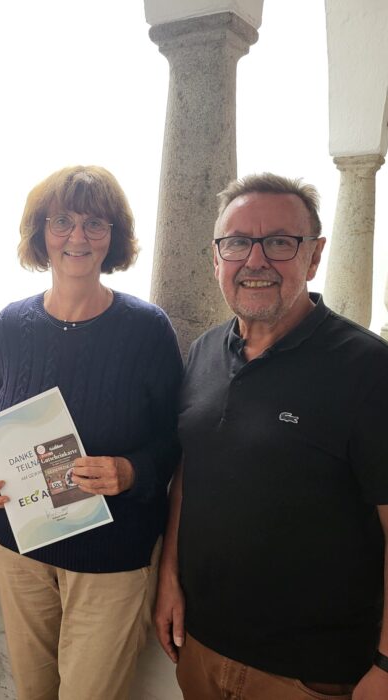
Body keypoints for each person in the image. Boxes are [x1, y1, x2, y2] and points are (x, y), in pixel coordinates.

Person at [154, 173, 388, 700]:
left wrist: (387, 663)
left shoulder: (368, 370)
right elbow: (191, 475)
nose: (255, 260)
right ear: (217, 258)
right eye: (237, 242)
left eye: (280, 242)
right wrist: (168, 579)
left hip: (310, 675)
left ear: (314, 256)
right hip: (202, 650)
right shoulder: (203, 353)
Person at [0, 165, 183, 699]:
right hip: (22, 549)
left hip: (111, 558)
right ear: (40, 233)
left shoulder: (147, 329)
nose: (77, 237)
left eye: (95, 224)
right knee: (33, 693)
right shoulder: (8, 326)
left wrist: (131, 470)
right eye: (62, 221)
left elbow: (175, 438)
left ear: (113, 237)